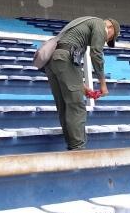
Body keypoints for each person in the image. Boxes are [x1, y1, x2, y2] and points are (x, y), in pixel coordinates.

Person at [44, 16, 120, 150]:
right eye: (109, 38)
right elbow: (96, 53)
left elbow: (70, 58)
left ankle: (72, 146)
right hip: (64, 58)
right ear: (111, 28)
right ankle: (78, 148)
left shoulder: (82, 24)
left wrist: (82, 86)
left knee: (64, 106)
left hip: (53, 61)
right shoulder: (99, 24)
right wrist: (103, 84)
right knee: (76, 106)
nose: (106, 40)